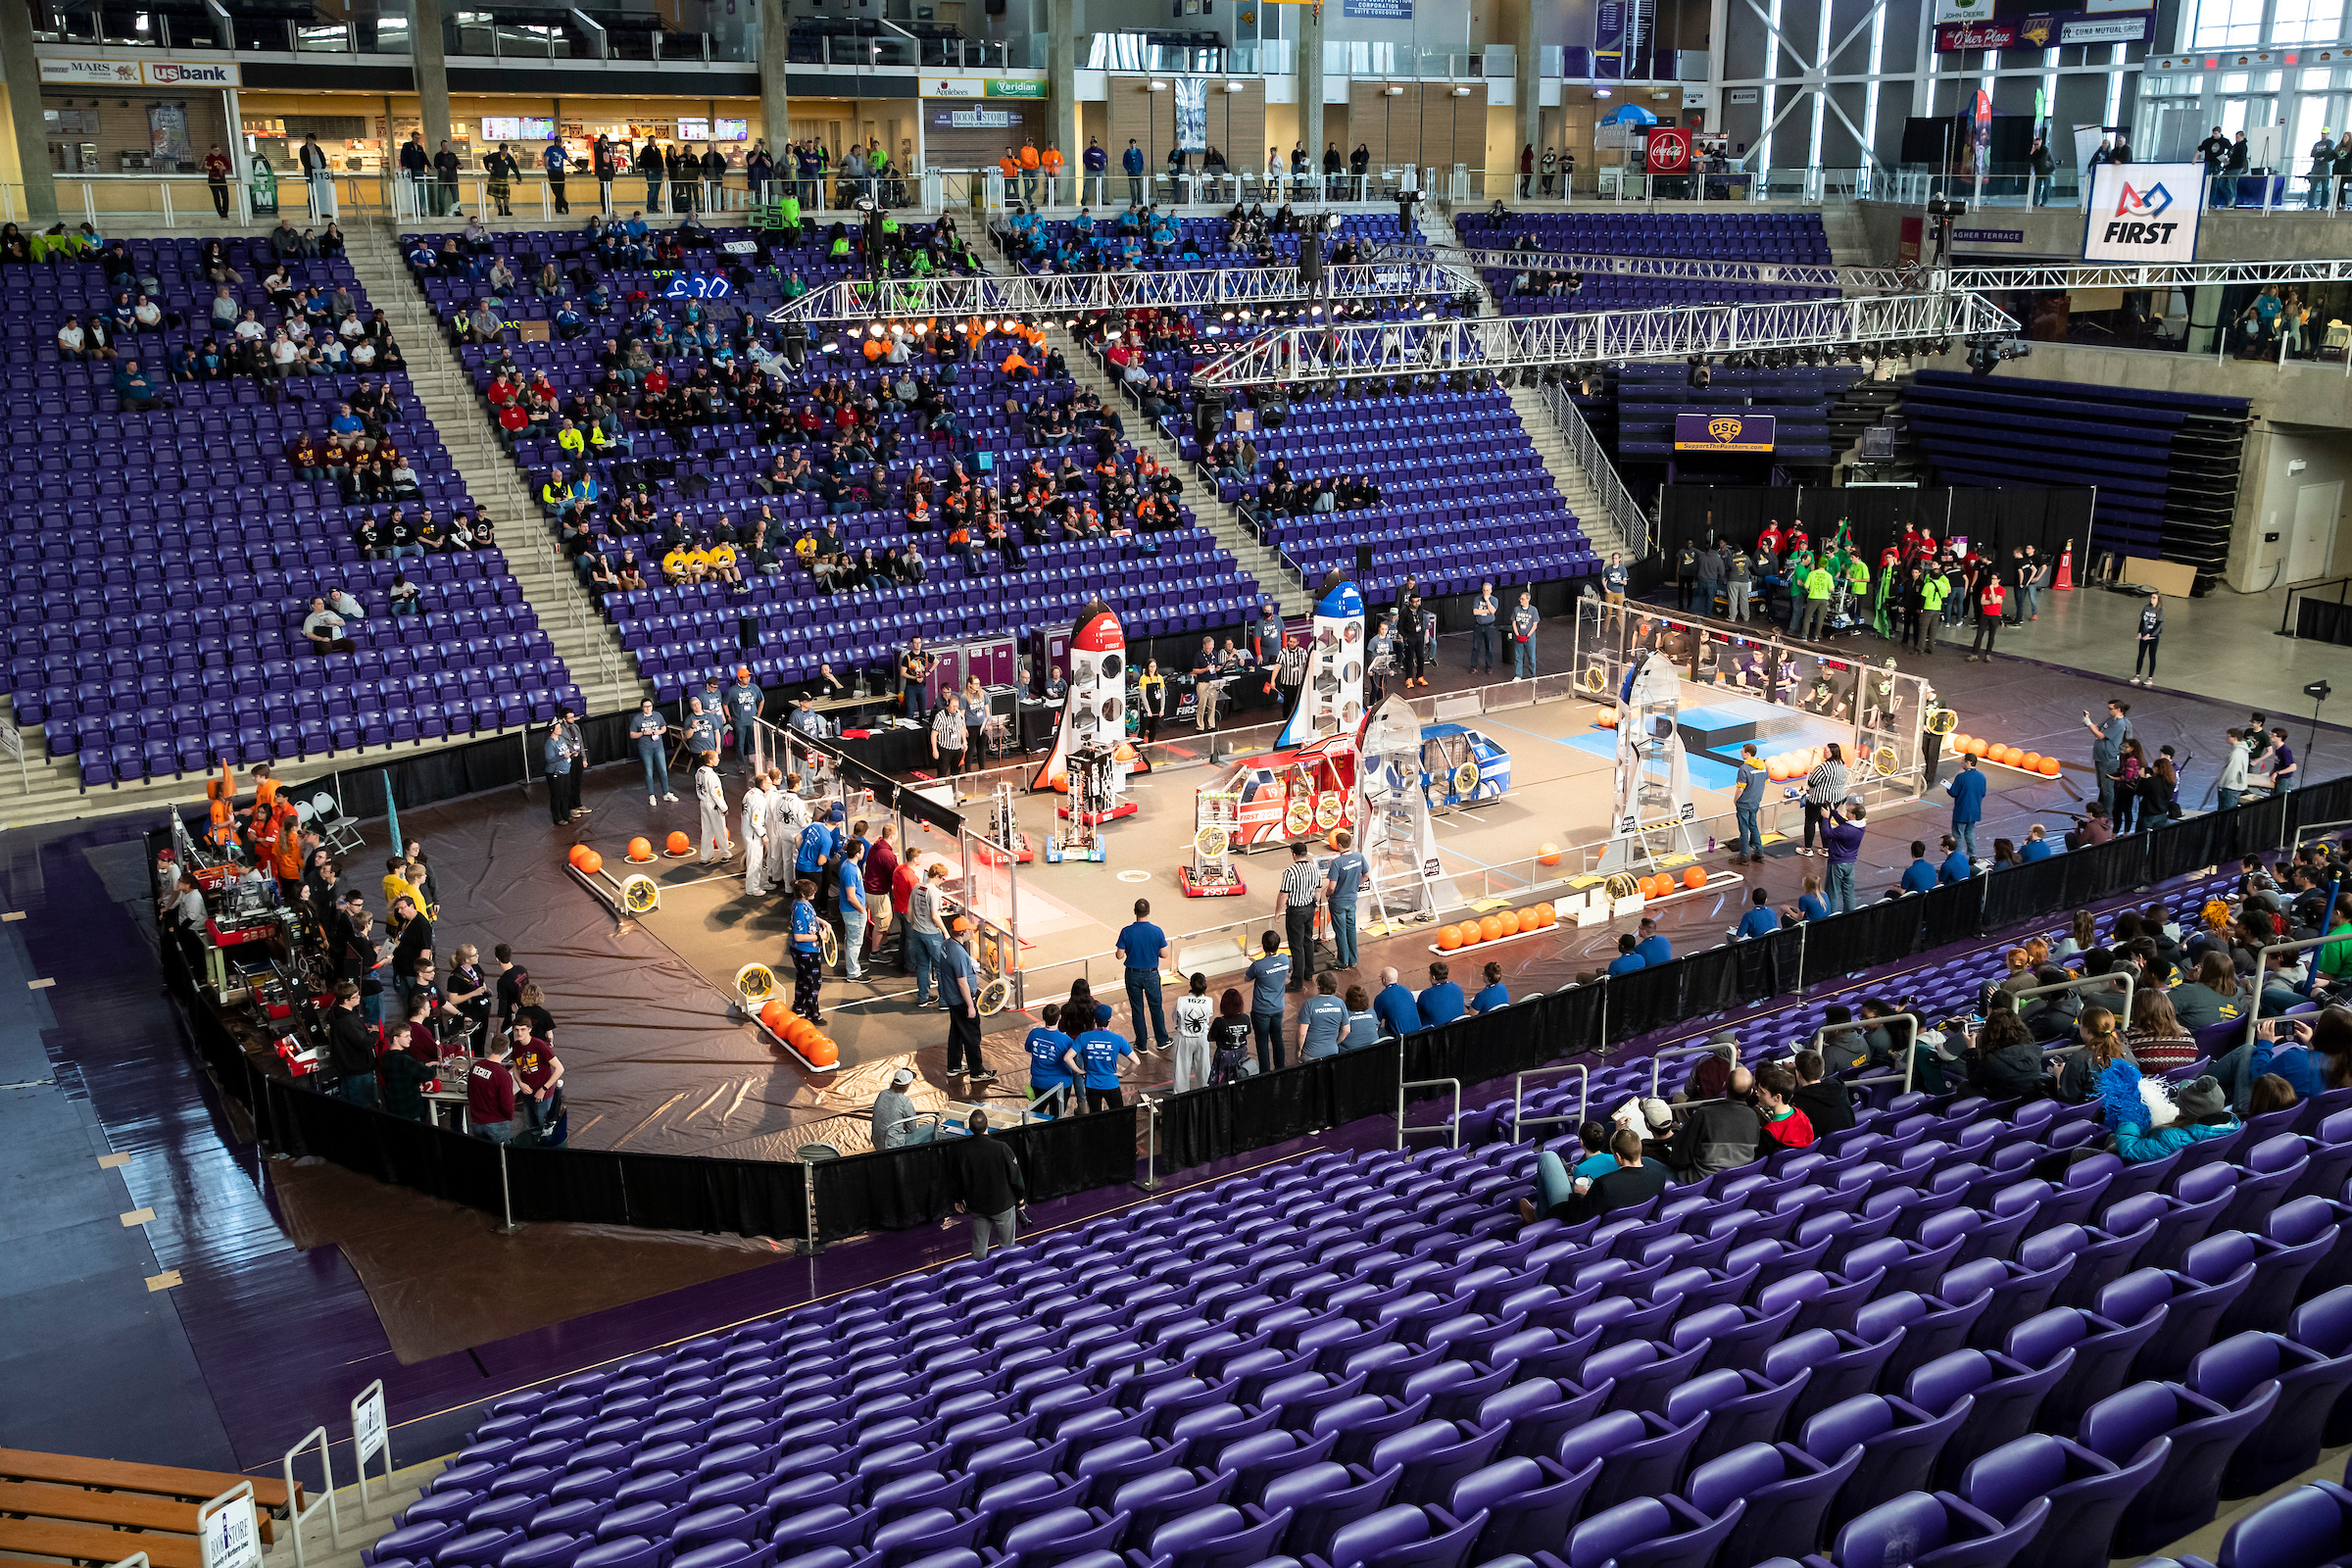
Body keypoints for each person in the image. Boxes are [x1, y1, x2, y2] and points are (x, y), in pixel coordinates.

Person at [1660, 1056, 1762, 1182]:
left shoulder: (1704, 1115)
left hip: (1700, 1182)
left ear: (1724, 1085)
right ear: (1751, 1091)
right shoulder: (1753, 1117)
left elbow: (1679, 1159)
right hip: (1738, 1180)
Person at [952, 1107, 1026, 1259]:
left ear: (970, 1127)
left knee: (979, 1247)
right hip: (1002, 1205)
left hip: (977, 1205)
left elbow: (956, 1178)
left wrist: (957, 1199)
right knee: (1007, 1247)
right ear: (988, 1125)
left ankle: (979, 1277)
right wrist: (1020, 1198)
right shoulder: (1001, 1148)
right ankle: (1006, 1274)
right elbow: (1015, 1176)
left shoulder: (962, 1151)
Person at [1116, 899, 1171, 1053]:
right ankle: (1161, 1040)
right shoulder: (1157, 931)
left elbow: (1119, 955)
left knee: (1137, 1009)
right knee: (1156, 1008)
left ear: (1135, 912)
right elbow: (1164, 953)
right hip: (1151, 974)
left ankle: (1141, 1044)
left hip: (1132, 974)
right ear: (1149, 911)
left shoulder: (1126, 931)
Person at [321, 980, 379, 1107]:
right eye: (356, 996)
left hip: (347, 1068)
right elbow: (363, 1043)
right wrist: (374, 1034)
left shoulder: (336, 1013)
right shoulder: (348, 1021)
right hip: (358, 1070)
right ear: (346, 1000)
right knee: (364, 1105)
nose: (359, 998)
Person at [942, 930, 990, 1083]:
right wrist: (970, 1006)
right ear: (962, 933)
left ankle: (954, 1066)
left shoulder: (947, 944)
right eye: (969, 930)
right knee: (972, 1035)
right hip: (961, 1000)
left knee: (956, 1031)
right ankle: (977, 1072)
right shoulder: (959, 953)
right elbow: (962, 982)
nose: (972, 932)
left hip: (951, 997)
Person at [1276, 840, 1322, 990]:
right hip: (1309, 908)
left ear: (1293, 855)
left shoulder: (1290, 872)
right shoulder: (1315, 869)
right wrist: (1315, 905)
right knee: (1308, 940)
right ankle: (1308, 972)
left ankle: (1297, 981)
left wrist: (1277, 912)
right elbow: (1318, 890)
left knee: (1296, 946)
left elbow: (1283, 895)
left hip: (1295, 911)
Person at [1246, 930, 1291, 1073]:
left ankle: (1265, 1072)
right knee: (1277, 1038)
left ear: (1263, 945)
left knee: (1262, 1041)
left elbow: (1247, 977)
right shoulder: (1285, 959)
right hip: (1278, 1008)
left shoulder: (1259, 965)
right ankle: (1280, 1069)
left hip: (1261, 1010)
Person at [2083, 699, 2132, 816]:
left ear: (2118, 710)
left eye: (2111, 709)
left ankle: (2106, 813)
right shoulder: (2110, 720)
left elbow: (2100, 735)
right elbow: (2097, 729)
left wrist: (2088, 723)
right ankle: (2100, 808)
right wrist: (2088, 720)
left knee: (2107, 788)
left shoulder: (2119, 724)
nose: (2108, 711)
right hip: (2100, 757)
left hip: (2109, 759)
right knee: (2101, 785)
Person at [466, 1034, 519, 1142]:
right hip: (497, 1123)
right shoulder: (503, 1075)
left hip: (477, 1121)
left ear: (491, 1046)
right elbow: (507, 1104)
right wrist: (509, 1117)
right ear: (507, 1049)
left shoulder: (476, 1066)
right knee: (502, 1155)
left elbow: (469, 1093)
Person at [788, 877, 825, 1025]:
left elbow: (812, 917)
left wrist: (823, 922)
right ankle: (812, 1014)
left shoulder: (801, 904)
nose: (814, 893)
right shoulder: (800, 910)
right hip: (806, 951)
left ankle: (799, 1006)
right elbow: (798, 936)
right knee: (813, 983)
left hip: (805, 950)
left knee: (803, 980)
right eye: (812, 892)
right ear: (803, 894)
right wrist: (818, 936)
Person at [1751, 1062, 1816, 1149]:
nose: (1757, 1094)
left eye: (1762, 1092)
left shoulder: (1768, 1134)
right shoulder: (1803, 1117)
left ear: (1777, 1097)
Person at [1790, 1050, 1853, 1133]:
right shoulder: (1838, 1085)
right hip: (1849, 1138)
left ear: (1797, 1074)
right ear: (1822, 1072)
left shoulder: (1797, 1102)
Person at [1172, 975, 1216, 1093]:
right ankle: (1207, 1094)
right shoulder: (1209, 1001)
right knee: (1204, 1070)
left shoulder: (1181, 1001)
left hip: (1184, 1038)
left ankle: (1180, 1097)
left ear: (1190, 984)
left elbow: (1175, 1018)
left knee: (1181, 1071)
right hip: (1202, 1038)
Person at [1822, 799, 1866, 913]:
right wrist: (1833, 811)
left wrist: (1826, 818)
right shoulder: (1860, 826)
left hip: (1837, 863)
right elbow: (1844, 823)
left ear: (1854, 815)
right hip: (1851, 863)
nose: (1846, 812)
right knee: (1849, 891)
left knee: (1832, 891)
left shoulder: (1845, 830)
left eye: (1848, 811)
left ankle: (1831, 916)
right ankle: (1850, 914)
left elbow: (1826, 834)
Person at [630, 698, 675, 805]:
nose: (648, 708)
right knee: (649, 772)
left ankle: (666, 792)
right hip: (645, 748)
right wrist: (643, 733)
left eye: (649, 706)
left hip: (658, 746)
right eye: (646, 707)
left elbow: (664, 727)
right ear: (642, 708)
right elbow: (632, 734)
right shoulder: (637, 719)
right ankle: (651, 795)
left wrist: (658, 732)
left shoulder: (657, 715)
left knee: (663, 770)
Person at [835, 838, 867, 980]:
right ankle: (853, 973)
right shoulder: (850, 870)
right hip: (854, 912)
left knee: (851, 940)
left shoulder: (849, 865)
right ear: (858, 853)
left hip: (851, 911)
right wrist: (862, 909)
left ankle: (853, 966)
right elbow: (851, 896)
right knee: (855, 942)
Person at [1731, 743, 1768, 866]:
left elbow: (1740, 788)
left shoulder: (1744, 768)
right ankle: (1759, 853)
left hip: (1744, 803)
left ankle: (1744, 856)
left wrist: (1735, 800)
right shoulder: (1763, 766)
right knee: (1754, 826)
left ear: (1747, 753)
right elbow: (1766, 782)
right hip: (1755, 801)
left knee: (1744, 829)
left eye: (1742, 751)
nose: (1741, 753)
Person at [694, 751, 730, 864]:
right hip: (713, 805)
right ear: (710, 760)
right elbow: (716, 794)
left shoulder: (699, 771)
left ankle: (705, 856)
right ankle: (725, 854)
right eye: (716, 758)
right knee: (720, 829)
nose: (718, 760)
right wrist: (724, 808)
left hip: (703, 802)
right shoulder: (712, 776)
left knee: (706, 830)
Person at [543, 719, 582, 825]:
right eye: (558, 728)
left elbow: (565, 751)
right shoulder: (550, 743)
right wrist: (562, 757)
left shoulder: (561, 739)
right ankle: (557, 817)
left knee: (566, 794)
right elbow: (549, 759)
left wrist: (571, 754)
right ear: (552, 730)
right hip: (555, 772)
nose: (560, 729)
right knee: (557, 795)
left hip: (565, 771)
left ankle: (566, 815)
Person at [872, 1066, 919, 1149]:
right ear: (908, 1084)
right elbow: (911, 1129)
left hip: (878, 1143)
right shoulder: (904, 1101)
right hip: (894, 1144)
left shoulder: (882, 1094)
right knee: (930, 1129)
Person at [1374, 967, 1420, 1039]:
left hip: (1401, 1039)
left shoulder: (1381, 997)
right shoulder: (1407, 991)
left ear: (1384, 980)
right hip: (1418, 1034)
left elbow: (1376, 1021)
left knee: (1377, 1032)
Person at [2131, 592, 2164, 686]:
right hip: (2144, 636)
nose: (2152, 599)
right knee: (2141, 655)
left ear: (2158, 600)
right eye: (2151, 597)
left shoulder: (2160, 610)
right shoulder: (2146, 608)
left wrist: (2149, 634)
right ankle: (2137, 675)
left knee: (2152, 656)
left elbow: (2157, 624)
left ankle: (2150, 678)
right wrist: (2140, 632)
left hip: (2153, 637)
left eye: (2154, 598)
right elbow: (2142, 621)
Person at [1419, 961, 1465, 1025]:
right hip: (1459, 1029)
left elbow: (1418, 1014)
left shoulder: (1425, 995)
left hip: (1436, 1032)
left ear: (1433, 977)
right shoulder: (1457, 987)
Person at [1510, 591, 1540, 679]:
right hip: (1519, 638)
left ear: (1528, 599)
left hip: (1529, 639)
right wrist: (1518, 635)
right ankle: (1518, 675)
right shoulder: (1516, 609)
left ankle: (1532, 675)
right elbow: (1514, 623)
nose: (1521, 601)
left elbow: (1535, 625)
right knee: (1518, 657)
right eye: (1520, 599)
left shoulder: (1533, 610)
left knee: (1531, 657)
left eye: (1522, 599)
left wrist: (1527, 636)